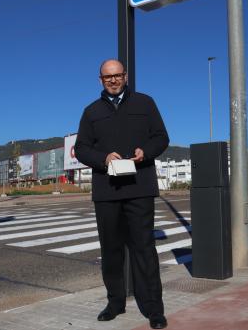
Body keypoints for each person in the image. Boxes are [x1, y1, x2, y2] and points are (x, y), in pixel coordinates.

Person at [75, 59, 169, 329]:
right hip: (107, 190)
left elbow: (161, 137)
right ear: (100, 80)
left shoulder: (145, 103)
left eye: (117, 75)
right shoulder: (91, 112)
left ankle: (154, 309)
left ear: (125, 77)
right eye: (108, 77)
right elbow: (81, 148)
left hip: (139, 187)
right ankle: (115, 302)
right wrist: (103, 157)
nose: (113, 80)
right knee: (111, 251)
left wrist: (146, 152)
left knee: (144, 250)